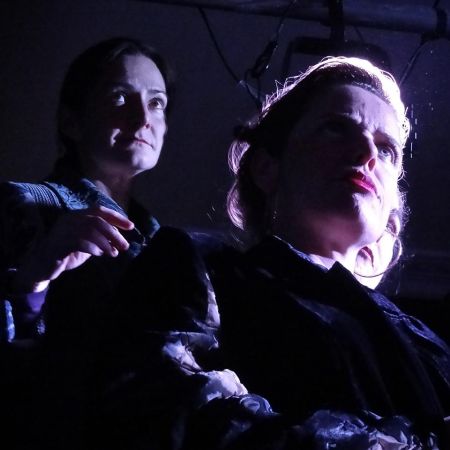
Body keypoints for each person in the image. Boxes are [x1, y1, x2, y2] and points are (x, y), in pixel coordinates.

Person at [104, 56, 450, 450]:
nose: (367, 151)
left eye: (387, 149)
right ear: (267, 167)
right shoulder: (203, 268)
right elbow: (181, 411)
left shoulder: (425, 340)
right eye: (337, 127)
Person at [0, 37, 173, 449]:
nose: (143, 117)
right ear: (72, 122)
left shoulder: (161, 241)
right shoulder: (20, 204)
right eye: (120, 98)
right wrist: (33, 280)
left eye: (156, 103)